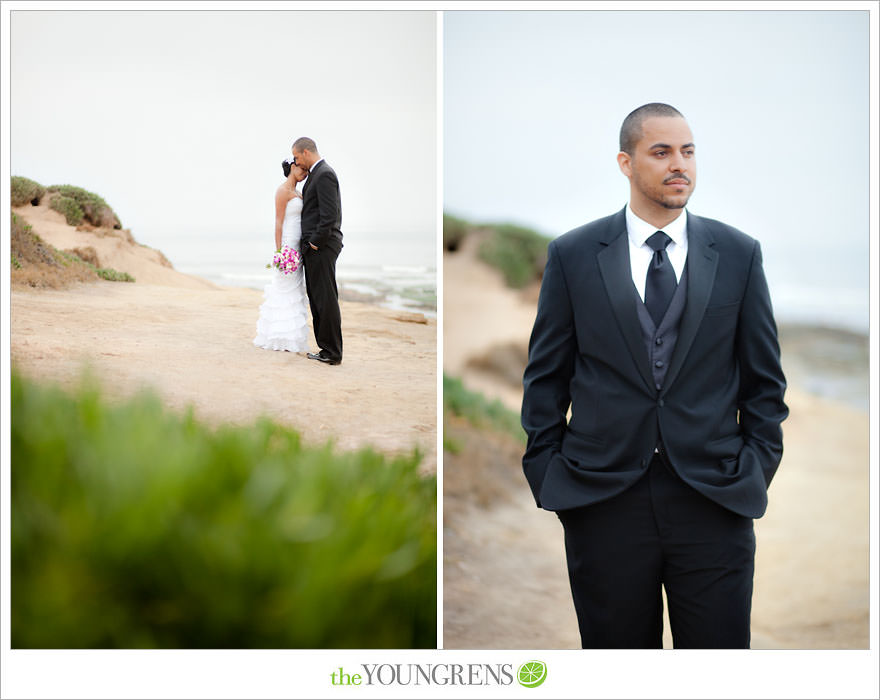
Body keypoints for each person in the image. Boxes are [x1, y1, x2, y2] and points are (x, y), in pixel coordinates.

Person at [520, 103, 788, 648]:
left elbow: (765, 384)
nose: (679, 165)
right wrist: (550, 475)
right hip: (602, 500)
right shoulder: (573, 255)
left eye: (688, 152)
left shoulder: (738, 254)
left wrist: (754, 469)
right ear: (626, 162)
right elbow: (546, 377)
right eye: (661, 152)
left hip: (715, 499)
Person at [291, 137, 343, 366]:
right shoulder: (316, 174)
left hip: (321, 247)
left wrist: (314, 244)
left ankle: (332, 352)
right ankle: (326, 348)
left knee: (325, 299)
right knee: (318, 298)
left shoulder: (324, 174)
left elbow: (329, 216)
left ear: (305, 152)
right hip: (317, 247)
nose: (296, 161)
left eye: (296, 156)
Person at [253, 158, 311, 353]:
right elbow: (278, 223)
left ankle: (291, 338)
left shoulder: (299, 193)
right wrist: (280, 252)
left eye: (306, 170)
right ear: (292, 167)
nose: (305, 173)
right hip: (287, 245)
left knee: (294, 292)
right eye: (302, 169)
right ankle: (278, 336)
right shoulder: (282, 191)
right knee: (283, 289)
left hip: (298, 246)